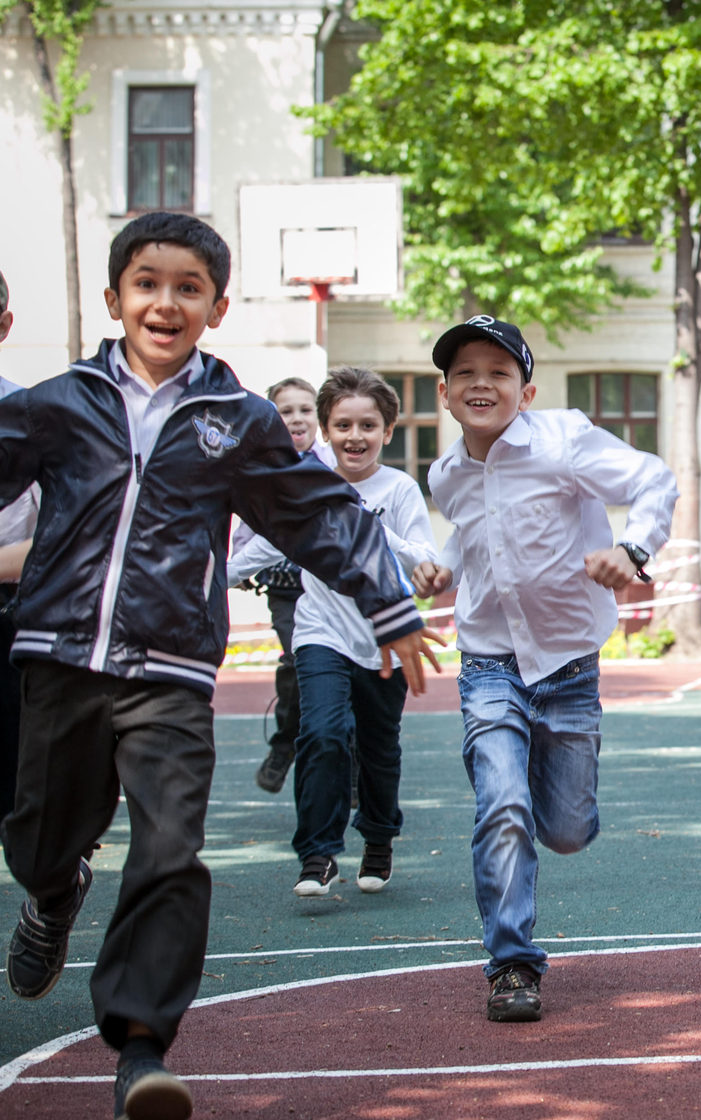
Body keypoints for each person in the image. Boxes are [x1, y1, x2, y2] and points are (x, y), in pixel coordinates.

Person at [0, 211, 439, 1120]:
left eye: (188, 288)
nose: (167, 302)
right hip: (59, 658)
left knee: (170, 848)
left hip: (169, 671)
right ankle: (53, 891)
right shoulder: (59, 401)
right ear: (117, 298)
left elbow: (320, 513)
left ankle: (142, 1048)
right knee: (39, 833)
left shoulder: (235, 422)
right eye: (148, 284)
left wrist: (388, 602)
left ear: (217, 307)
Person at [423, 314, 676, 1023]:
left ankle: (551, 797)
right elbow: (470, 544)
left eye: (498, 373)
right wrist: (437, 569)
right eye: (465, 373)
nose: (481, 384)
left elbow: (653, 478)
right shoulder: (446, 474)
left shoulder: (562, 440)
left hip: (567, 667)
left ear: (526, 392)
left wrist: (632, 550)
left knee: (563, 828)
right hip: (489, 665)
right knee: (501, 806)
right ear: (444, 393)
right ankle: (511, 965)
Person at [229, 368, 441, 898]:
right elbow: (264, 545)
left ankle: (378, 838)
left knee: (377, 749)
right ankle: (318, 854)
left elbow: (427, 561)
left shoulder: (400, 489)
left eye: (368, 425)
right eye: (343, 425)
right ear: (325, 431)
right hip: (320, 632)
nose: (355, 436)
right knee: (321, 734)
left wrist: (370, 525)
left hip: (385, 639)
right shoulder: (308, 487)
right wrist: (205, 579)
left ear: (387, 432)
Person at [228, 376, 331, 794]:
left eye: (305, 410)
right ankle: (284, 744)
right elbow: (245, 529)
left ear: (319, 418)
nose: (296, 419)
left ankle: (354, 762)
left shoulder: (333, 464)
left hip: (331, 588)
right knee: (300, 663)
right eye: (285, 412)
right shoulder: (261, 471)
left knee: (347, 669)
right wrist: (236, 570)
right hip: (287, 590)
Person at [0, 268, 36, 822]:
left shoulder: (33, 417)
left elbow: (63, 537)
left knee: (13, 780)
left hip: (9, 614)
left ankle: (54, 884)